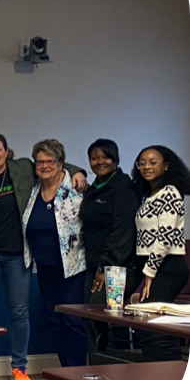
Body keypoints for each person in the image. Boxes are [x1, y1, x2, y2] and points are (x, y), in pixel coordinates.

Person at [0, 133, 86, 380]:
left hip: (19, 255)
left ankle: (19, 367)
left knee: (20, 312)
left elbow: (55, 165)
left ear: (7, 152)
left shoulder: (23, 170)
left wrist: (79, 171)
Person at [22, 139, 87, 380]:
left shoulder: (75, 187)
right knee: (54, 320)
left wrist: (78, 171)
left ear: (61, 163)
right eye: (40, 161)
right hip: (44, 266)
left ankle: (78, 377)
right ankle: (64, 374)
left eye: (51, 161)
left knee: (72, 320)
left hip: (71, 267)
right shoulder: (33, 188)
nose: (45, 166)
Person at [77, 139, 141, 359]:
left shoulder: (123, 188)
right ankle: (96, 373)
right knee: (90, 317)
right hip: (94, 264)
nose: (99, 161)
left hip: (118, 269)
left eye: (105, 157)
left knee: (104, 316)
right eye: (94, 157)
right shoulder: (94, 188)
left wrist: (105, 266)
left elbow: (122, 232)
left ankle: (115, 375)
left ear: (115, 160)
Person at [130, 145, 189, 360]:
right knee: (149, 327)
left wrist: (149, 273)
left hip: (168, 266)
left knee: (157, 329)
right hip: (154, 266)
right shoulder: (150, 194)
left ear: (166, 166)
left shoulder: (170, 193)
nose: (147, 166)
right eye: (142, 162)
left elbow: (164, 238)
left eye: (153, 162)